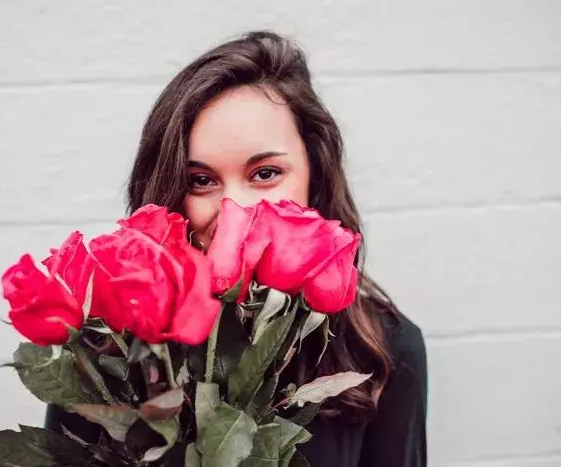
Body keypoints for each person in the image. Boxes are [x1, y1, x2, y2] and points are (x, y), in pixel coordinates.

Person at [46, 30, 427, 466]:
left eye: (265, 174)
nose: (235, 212)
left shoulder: (384, 349)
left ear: (315, 175)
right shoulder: (103, 349)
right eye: (200, 180)